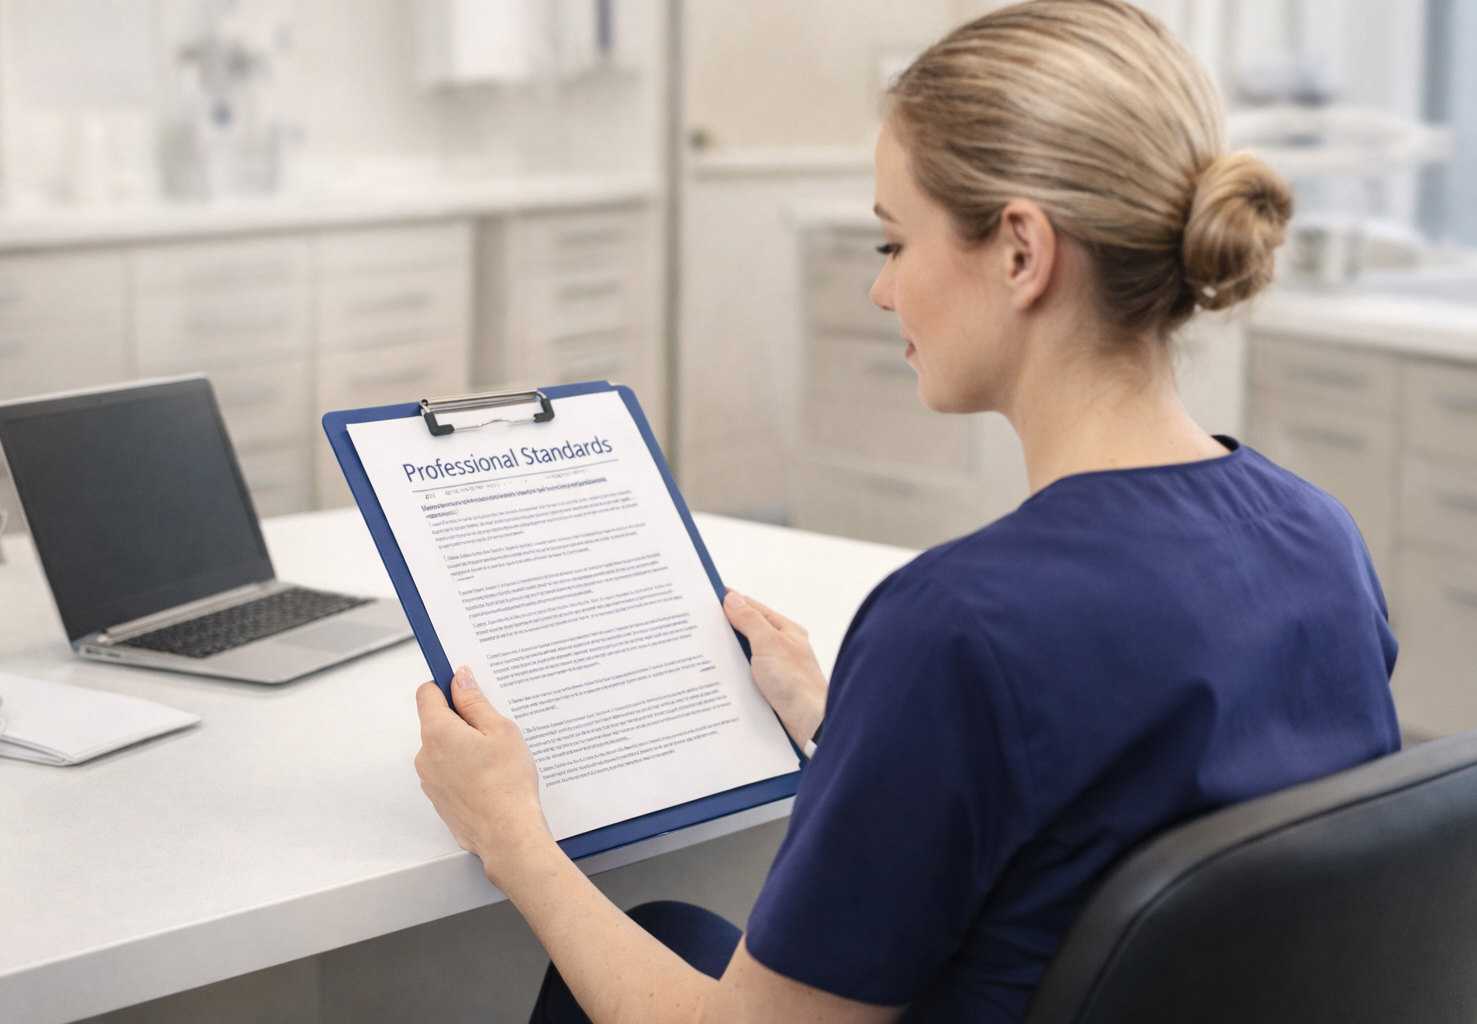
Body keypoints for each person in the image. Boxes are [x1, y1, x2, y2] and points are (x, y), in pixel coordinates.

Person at [412, 2, 1401, 1021]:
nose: (884, 291)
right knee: (670, 935)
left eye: (893, 242)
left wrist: (512, 836)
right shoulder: (1320, 538)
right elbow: (1092, 820)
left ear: (1021, 250)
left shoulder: (958, 625)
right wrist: (852, 725)